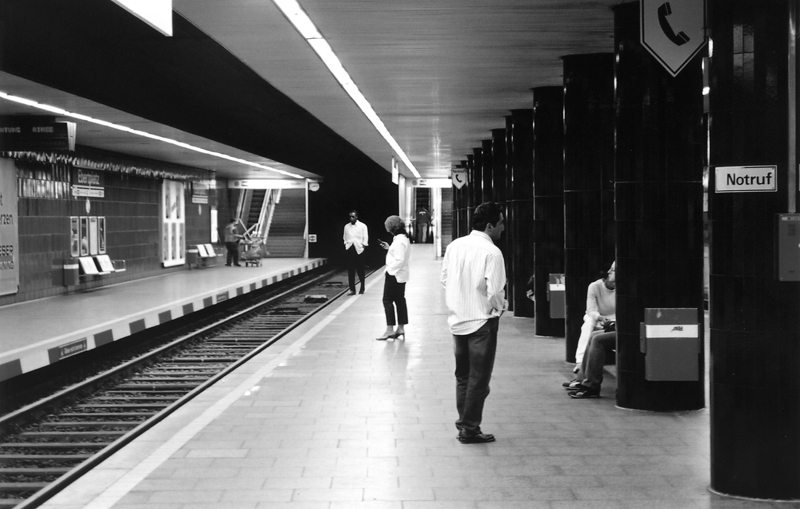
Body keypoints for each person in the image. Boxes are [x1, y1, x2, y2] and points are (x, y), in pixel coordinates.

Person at [441, 201, 507, 444]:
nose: (503, 229)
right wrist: (499, 309)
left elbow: (445, 279)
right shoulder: (492, 252)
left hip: (457, 321)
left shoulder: (455, 246)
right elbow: (496, 292)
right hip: (481, 323)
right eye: (501, 224)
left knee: (463, 376)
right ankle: (470, 428)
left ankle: (464, 424)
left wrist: (460, 298)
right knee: (479, 379)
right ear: (490, 226)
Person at [565, 261, 616, 398]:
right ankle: (582, 377)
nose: (609, 272)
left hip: (617, 322)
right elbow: (591, 310)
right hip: (603, 319)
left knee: (597, 339)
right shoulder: (595, 286)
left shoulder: (623, 288)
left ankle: (591, 385)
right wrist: (602, 319)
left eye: (613, 270)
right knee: (591, 329)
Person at [375, 215, 411, 340]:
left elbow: (399, 260)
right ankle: (400, 328)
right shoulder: (402, 239)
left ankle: (390, 329)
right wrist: (389, 248)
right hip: (401, 275)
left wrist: (390, 271)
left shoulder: (399, 241)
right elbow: (399, 255)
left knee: (387, 300)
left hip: (395, 275)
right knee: (400, 300)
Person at [343, 210, 369, 295]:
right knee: (350, 270)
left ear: (357, 217)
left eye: (353, 216)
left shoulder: (362, 226)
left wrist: (363, 245)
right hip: (350, 248)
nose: (351, 218)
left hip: (359, 249)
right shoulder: (346, 226)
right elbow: (345, 237)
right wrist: (346, 244)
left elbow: (365, 236)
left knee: (360, 269)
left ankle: (362, 287)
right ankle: (352, 289)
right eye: (350, 216)